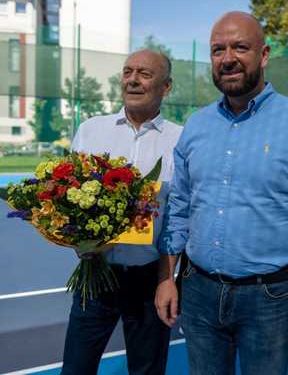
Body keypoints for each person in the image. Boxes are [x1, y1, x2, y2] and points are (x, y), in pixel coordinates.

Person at [155, 12, 288, 375]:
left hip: (269, 300)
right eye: (217, 50)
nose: (227, 58)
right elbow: (179, 209)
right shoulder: (196, 125)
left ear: (264, 54)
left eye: (240, 47)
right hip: (198, 291)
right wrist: (167, 278)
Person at [60, 49, 183, 375]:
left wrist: (166, 278)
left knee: (147, 370)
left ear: (166, 87)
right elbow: (68, 196)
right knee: (75, 368)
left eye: (145, 74)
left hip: (149, 280)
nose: (133, 80)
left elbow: (179, 218)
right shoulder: (90, 130)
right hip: (96, 276)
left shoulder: (180, 140)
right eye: (128, 72)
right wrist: (79, 241)